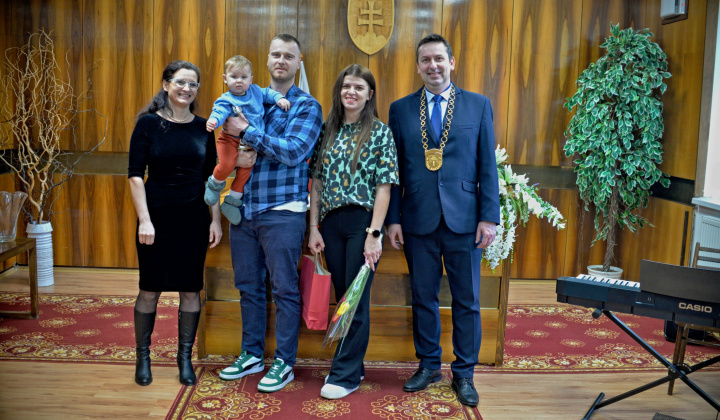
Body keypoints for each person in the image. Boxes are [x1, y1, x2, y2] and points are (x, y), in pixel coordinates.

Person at [386, 34, 500, 407]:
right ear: (418, 66)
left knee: (467, 300)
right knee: (423, 297)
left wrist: (489, 217)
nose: (432, 66)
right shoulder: (401, 109)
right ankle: (429, 365)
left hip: (465, 220)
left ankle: (464, 373)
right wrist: (393, 219)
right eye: (426, 60)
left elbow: (487, 165)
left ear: (451, 62)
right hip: (417, 219)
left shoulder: (478, 105)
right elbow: (394, 170)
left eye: (439, 58)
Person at [216, 34, 323, 393]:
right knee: (248, 287)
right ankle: (251, 354)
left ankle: (285, 362)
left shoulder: (306, 106)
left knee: (284, 289)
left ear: (298, 62)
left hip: (283, 211)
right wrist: (238, 153)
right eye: (275, 54)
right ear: (267, 59)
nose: (281, 60)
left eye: (288, 56)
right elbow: (227, 146)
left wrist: (247, 131)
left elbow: (293, 152)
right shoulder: (246, 97)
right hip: (244, 209)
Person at [128, 60, 222, 387]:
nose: (187, 89)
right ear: (166, 84)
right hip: (155, 218)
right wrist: (144, 220)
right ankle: (143, 356)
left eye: (193, 84)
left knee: (191, 288)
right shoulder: (148, 124)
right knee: (149, 288)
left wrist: (215, 220)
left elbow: (212, 179)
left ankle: (185, 358)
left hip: (194, 218)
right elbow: (135, 176)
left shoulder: (204, 127)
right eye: (181, 82)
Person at [307, 64, 399, 399]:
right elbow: (317, 183)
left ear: (369, 94)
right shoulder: (328, 130)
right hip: (331, 224)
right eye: (347, 86)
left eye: (359, 87)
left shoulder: (380, 132)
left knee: (355, 300)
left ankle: (345, 375)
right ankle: (352, 365)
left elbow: (384, 187)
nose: (351, 92)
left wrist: (374, 234)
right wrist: (313, 227)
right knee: (342, 297)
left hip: (363, 224)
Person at [204, 55, 291, 225]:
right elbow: (219, 112)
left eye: (243, 77)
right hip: (229, 140)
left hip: (250, 143)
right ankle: (214, 184)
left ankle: (232, 202)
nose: (239, 81)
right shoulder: (226, 99)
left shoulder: (256, 91)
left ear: (251, 79)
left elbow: (269, 93)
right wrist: (214, 121)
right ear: (225, 79)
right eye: (234, 77)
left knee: (245, 172)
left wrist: (279, 99)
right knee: (228, 164)